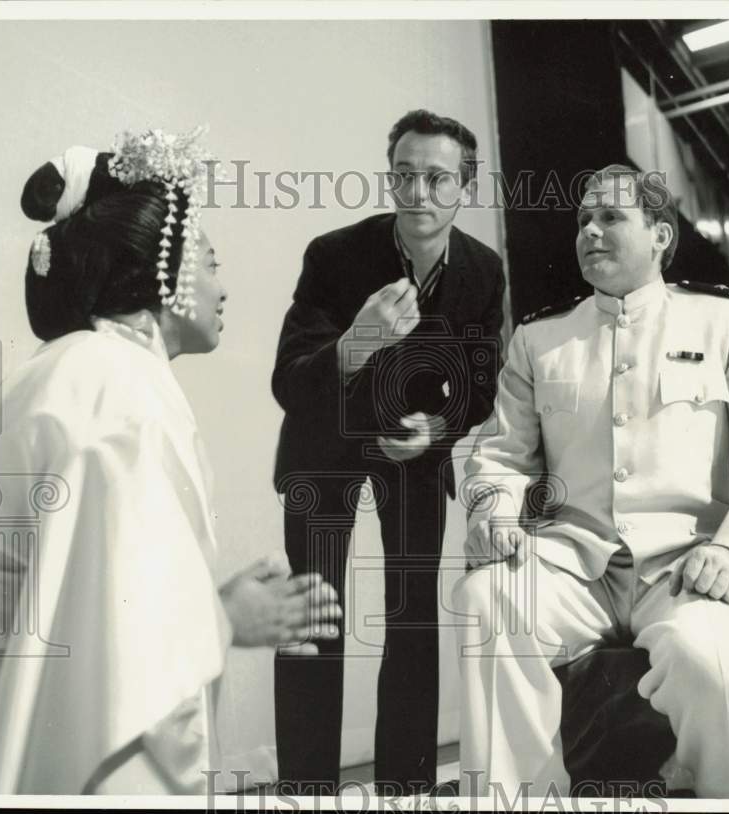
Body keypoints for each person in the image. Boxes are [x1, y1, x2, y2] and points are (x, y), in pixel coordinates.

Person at [0, 129, 342, 795]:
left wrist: (205, 607)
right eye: (211, 262)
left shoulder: (65, 370)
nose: (224, 289)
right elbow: (110, 659)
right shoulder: (119, 392)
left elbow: (91, 590)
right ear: (164, 269)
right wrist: (224, 619)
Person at [452, 164, 729, 799]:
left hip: (686, 563)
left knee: (712, 661)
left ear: (660, 235)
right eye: (582, 220)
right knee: (487, 601)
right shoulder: (540, 339)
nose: (589, 230)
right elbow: (502, 454)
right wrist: (494, 512)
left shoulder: (723, 321)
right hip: (574, 566)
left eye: (610, 217)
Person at [272, 110, 505, 795]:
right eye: (404, 176)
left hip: (415, 453)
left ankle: (407, 789)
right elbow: (288, 378)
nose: (418, 195)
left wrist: (439, 428)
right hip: (324, 448)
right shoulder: (333, 253)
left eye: (437, 179)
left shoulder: (482, 271)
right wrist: (357, 340)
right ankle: (307, 793)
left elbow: (482, 381)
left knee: (412, 617)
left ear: (465, 186)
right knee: (315, 617)